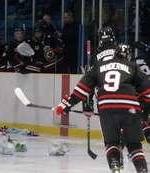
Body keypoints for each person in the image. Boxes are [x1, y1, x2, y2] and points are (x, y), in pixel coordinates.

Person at [54, 44, 150, 173]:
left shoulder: (98, 66)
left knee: (112, 143)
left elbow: (82, 90)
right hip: (130, 107)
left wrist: (65, 105)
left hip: (106, 107)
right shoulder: (133, 66)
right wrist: (144, 111)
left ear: (114, 54)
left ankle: (115, 170)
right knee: (134, 146)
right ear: (128, 56)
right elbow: (147, 93)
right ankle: (142, 170)